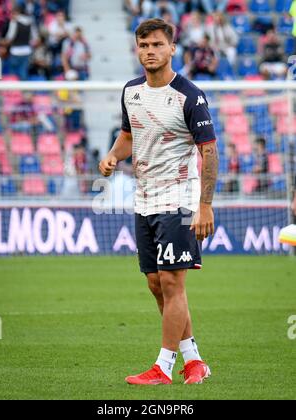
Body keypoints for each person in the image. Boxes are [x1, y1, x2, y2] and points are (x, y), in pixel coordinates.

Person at [99, 18, 219, 385]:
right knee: (155, 282)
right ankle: (194, 359)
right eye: (143, 45)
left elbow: (209, 152)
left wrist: (204, 205)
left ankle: (163, 368)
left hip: (180, 199)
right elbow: (128, 134)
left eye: (156, 45)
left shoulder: (189, 95)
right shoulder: (131, 91)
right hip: (145, 199)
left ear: (172, 49)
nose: (149, 51)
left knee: (171, 281)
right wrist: (113, 156)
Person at [0, 4, 38, 80]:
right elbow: (35, 38)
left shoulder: (14, 22)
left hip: (15, 51)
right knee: (23, 74)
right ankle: (24, 92)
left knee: (13, 75)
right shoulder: (30, 21)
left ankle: (13, 92)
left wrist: (1, 42)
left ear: (16, 12)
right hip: (26, 51)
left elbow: (10, 38)